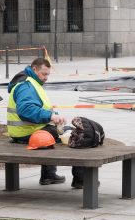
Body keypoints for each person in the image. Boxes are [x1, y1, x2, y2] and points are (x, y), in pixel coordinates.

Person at [6, 57, 87, 188]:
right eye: (44, 74)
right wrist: (49, 115)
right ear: (34, 69)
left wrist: (50, 117)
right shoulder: (27, 85)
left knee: (53, 132)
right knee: (76, 135)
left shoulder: (29, 82)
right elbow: (26, 110)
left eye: (48, 74)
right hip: (28, 132)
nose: (46, 78)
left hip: (25, 131)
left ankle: (49, 175)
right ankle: (82, 180)